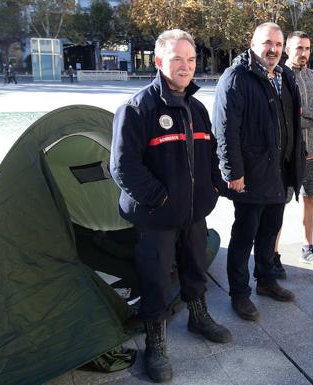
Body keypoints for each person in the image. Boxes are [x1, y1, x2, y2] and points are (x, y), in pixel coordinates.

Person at [110, 29, 231, 383]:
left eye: (191, 60)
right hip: (156, 216)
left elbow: (209, 154)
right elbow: (122, 166)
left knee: (195, 267)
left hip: (193, 212)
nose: (185, 66)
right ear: (160, 61)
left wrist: (213, 187)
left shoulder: (196, 108)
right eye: (177, 59)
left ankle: (198, 316)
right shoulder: (137, 108)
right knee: (156, 279)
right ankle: (156, 343)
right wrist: (161, 198)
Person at [213, 22, 305, 321]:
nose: (273, 50)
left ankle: (265, 281)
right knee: (244, 237)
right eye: (268, 43)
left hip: (279, 171)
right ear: (252, 43)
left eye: (278, 45)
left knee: (269, 231)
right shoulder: (236, 77)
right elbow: (225, 130)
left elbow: (292, 120)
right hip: (250, 174)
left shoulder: (284, 75)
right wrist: (232, 171)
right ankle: (240, 294)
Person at [272, 31, 313, 273]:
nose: (303, 53)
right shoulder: (278, 77)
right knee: (279, 204)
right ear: (287, 49)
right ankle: (273, 253)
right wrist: (309, 114)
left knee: (311, 200)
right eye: (298, 48)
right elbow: (283, 117)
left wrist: (303, 112)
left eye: (307, 48)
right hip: (287, 155)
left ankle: (308, 248)